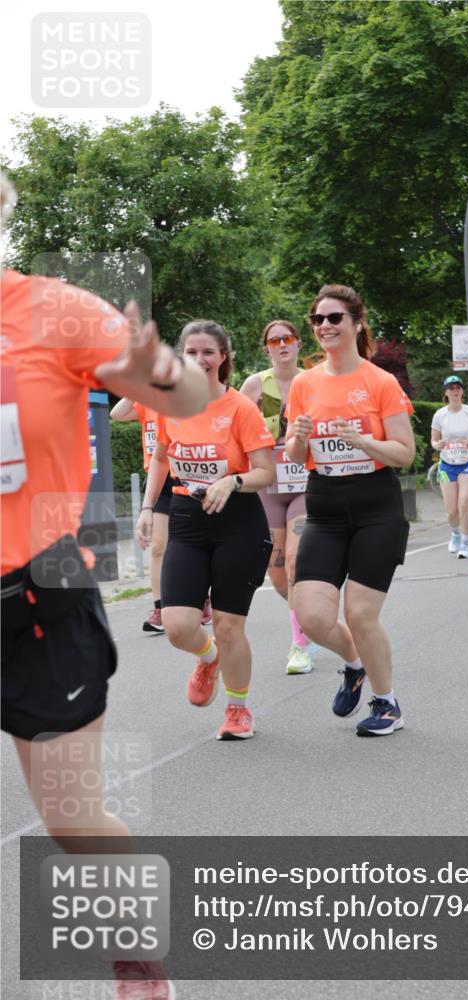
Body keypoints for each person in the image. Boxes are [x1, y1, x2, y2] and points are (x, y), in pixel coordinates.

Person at [1, 168, 208, 1000]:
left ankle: (137, 947)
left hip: (36, 594)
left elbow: (186, 399)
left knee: (72, 821)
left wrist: (159, 369)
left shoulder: (51, 312)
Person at [285, 284, 414, 737]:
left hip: (376, 507)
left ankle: (387, 704)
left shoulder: (380, 382)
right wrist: (299, 437)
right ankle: (354, 665)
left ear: (357, 323)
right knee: (312, 615)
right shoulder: (304, 383)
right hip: (325, 509)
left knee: (360, 613)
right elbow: (295, 455)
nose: (325, 326)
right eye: (318, 319)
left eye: (334, 318)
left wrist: (362, 441)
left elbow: (405, 453)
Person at [136, 320, 275, 740]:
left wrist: (232, 481)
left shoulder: (241, 408)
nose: (200, 359)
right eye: (191, 352)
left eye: (208, 352)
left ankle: (238, 710)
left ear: (222, 357)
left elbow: (265, 471)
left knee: (230, 626)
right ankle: (208, 657)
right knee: (178, 625)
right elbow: (161, 458)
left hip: (238, 522)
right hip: (187, 519)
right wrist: (147, 507)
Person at [240, 320, 313, 674]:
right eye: (274, 340)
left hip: (305, 484)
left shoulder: (312, 382)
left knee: (296, 561)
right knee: (278, 570)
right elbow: (233, 428)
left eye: (287, 338)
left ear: (298, 344)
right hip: (269, 485)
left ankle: (299, 645)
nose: (282, 344)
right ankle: (307, 613)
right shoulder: (256, 385)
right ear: (266, 348)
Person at [110, 398, 212, 631]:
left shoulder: (179, 400)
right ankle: (159, 607)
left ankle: (202, 599)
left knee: (193, 544)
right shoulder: (145, 402)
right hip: (158, 481)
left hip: (184, 475)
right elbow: (116, 414)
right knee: (158, 547)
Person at [431, 376, 468, 559]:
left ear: (462, 391)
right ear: (446, 392)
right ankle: (455, 533)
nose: (455, 391)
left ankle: (465, 544)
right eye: (451, 388)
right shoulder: (440, 415)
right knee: (452, 511)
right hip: (447, 466)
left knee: (464, 503)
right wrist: (438, 445)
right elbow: (434, 440)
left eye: (458, 388)